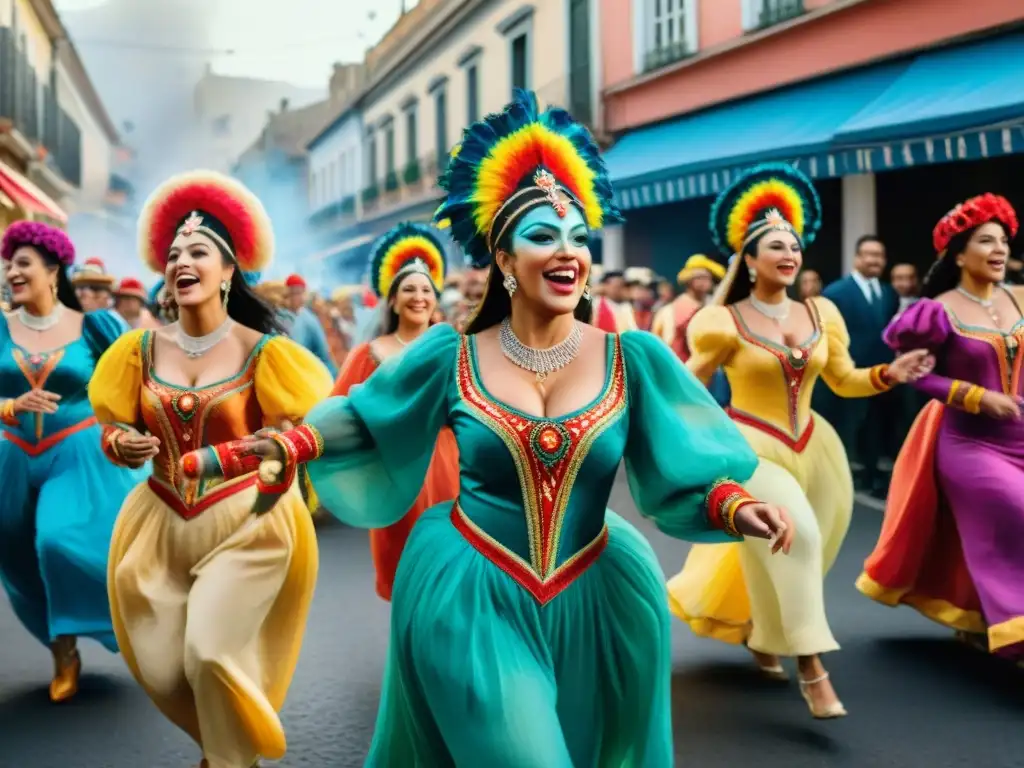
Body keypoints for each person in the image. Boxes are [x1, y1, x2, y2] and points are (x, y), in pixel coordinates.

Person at [182, 90, 793, 766]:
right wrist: (284, 443)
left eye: (578, 239)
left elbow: (682, 460)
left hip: (597, 595)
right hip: (471, 593)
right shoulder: (451, 355)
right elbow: (363, 416)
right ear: (503, 260)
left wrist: (738, 505)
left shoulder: (632, 357)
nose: (567, 253)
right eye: (542, 236)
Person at [666, 163, 931, 719]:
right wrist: (658, 416)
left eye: (794, 245)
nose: (788, 254)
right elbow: (684, 386)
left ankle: (765, 635)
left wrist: (892, 373)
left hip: (818, 448)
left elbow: (845, 380)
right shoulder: (721, 321)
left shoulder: (822, 312)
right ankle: (812, 666)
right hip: (750, 447)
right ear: (751, 258)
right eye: (775, 246)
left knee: (797, 554)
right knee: (799, 537)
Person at [88, 171, 333, 768]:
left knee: (208, 653)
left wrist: (238, 453)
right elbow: (110, 427)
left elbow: (313, 434)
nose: (182, 262)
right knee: (167, 668)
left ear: (229, 271)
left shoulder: (266, 353)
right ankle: (221, 747)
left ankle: (227, 761)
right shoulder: (136, 350)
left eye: (198, 251)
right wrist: (120, 443)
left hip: (248, 522)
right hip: (159, 521)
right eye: (173, 255)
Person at [857, 193, 1024, 663]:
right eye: (986, 241)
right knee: (1018, 514)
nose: (999, 250)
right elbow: (917, 373)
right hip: (970, 444)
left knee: (999, 531)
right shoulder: (938, 310)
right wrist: (975, 396)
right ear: (958, 253)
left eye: (1004, 241)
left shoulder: (1021, 298)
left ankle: (975, 618)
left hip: (1021, 437)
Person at [0, 221, 143, 702]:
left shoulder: (94, 328)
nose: (12, 273)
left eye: (23, 264)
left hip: (76, 453)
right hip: (11, 457)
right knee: (16, 555)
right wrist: (10, 406)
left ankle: (88, 636)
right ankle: (59, 647)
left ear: (52, 270)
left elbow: (131, 387)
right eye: (9, 265)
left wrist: (133, 431)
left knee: (57, 541)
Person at [330, 222, 459, 601]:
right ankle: (411, 649)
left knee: (450, 568)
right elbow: (338, 413)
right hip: (393, 473)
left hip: (449, 467)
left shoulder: (453, 349)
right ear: (392, 299)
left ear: (435, 298)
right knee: (404, 571)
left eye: (425, 290)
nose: (418, 297)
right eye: (408, 289)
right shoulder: (368, 354)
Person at [817, 236, 899, 497]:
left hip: (881, 374)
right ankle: (840, 478)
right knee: (849, 426)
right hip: (848, 374)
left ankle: (873, 474)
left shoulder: (888, 293)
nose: (874, 260)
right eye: (868, 254)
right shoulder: (835, 293)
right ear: (857, 257)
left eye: (879, 255)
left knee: (877, 425)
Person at [651, 253, 726, 361]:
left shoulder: (715, 306)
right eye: (699, 278)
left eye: (707, 278)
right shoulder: (669, 311)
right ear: (689, 281)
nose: (704, 282)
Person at [281, 273, 337, 375]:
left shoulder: (309, 319)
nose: (300, 298)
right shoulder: (280, 316)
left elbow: (323, 353)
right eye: (296, 293)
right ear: (287, 294)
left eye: (302, 293)